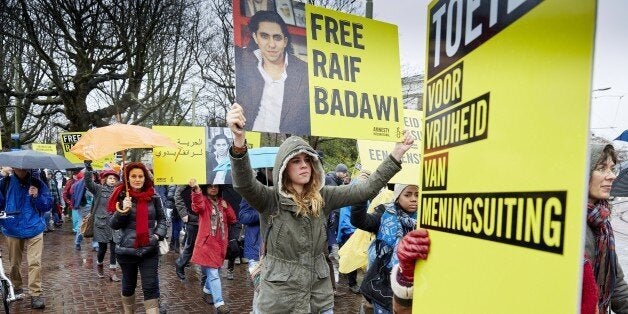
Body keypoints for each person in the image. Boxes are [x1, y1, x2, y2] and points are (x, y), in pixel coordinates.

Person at [226, 103, 414, 313]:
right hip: (278, 299)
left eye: (308, 159)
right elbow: (243, 184)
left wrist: (396, 153)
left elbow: (366, 190)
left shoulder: (323, 196)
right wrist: (239, 141)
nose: (304, 165)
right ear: (283, 168)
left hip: (318, 297)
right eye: (296, 161)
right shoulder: (270, 200)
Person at [235, 10, 309, 135]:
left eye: (277, 38)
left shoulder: (304, 72)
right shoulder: (242, 62)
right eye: (264, 36)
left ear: (285, 42)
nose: (271, 44)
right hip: (246, 141)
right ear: (255, 37)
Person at [107, 162, 167, 314]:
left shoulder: (153, 196)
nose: (137, 179)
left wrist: (156, 236)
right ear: (127, 178)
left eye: (140, 176)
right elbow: (113, 224)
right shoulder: (120, 196)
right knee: (128, 285)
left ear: (145, 177)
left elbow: (163, 220)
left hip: (149, 249)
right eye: (133, 176)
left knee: (151, 286)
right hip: (126, 251)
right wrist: (122, 210)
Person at [350, 184, 419, 313]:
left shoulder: (427, 219)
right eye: (408, 194)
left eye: (417, 195)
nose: (414, 199)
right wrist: (362, 193)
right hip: (384, 285)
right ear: (398, 197)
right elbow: (358, 221)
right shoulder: (384, 214)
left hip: (414, 285)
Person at [584, 141, 628, 313]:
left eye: (611, 168)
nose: (611, 176)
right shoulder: (570, 224)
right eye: (602, 168)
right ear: (583, 172)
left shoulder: (602, 225)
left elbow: (617, 286)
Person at [0, 167, 52, 309]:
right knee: (14, 263)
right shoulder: (4, 182)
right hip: (12, 227)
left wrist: (37, 197)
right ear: (13, 167)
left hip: (34, 227)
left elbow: (48, 205)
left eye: (24, 168)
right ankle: (16, 286)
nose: (21, 170)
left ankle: (36, 294)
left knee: (35, 262)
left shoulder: (38, 183)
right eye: (18, 168)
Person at [188, 181, 236, 313]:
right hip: (207, 244)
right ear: (206, 188)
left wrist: (227, 208)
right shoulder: (203, 201)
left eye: (216, 186)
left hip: (220, 244)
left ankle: (206, 290)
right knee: (214, 274)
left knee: (216, 271)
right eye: (210, 186)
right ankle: (219, 303)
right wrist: (196, 191)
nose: (213, 188)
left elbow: (232, 219)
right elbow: (197, 207)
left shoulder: (223, 202)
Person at [84, 161, 121, 281]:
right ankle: (99, 264)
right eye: (110, 178)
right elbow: (89, 183)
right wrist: (89, 169)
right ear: (105, 179)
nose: (112, 180)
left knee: (114, 248)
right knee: (102, 249)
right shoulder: (99, 189)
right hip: (101, 224)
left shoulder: (119, 191)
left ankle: (112, 271)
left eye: (114, 178)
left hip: (115, 224)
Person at [174, 182, 200, 281]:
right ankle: (180, 263)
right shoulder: (186, 180)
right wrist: (184, 214)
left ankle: (206, 276)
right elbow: (178, 196)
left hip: (205, 217)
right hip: (192, 218)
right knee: (191, 244)